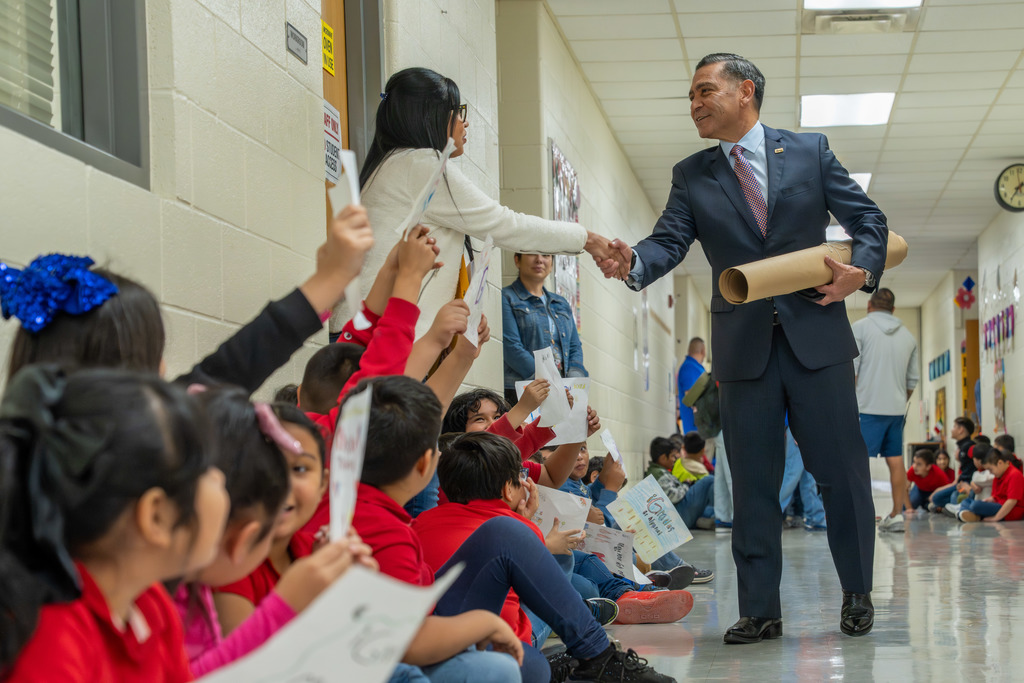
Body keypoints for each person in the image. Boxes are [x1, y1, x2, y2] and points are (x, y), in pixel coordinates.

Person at [592, 53, 887, 642]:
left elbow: (868, 220)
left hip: (817, 336)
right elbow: (670, 240)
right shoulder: (692, 173)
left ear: (744, 91)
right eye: (691, 96)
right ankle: (760, 609)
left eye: (705, 91)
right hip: (744, 345)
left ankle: (856, 591)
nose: (695, 104)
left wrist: (864, 273)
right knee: (752, 481)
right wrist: (633, 262)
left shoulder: (809, 150)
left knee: (841, 473)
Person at [349, 376, 676, 683]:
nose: (493, 426)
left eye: (499, 418)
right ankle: (601, 623)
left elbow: (546, 474)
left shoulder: (407, 517)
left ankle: (610, 606)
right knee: (555, 591)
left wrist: (571, 432)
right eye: (481, 421)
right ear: (430, 461)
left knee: (569, 569)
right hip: (431, 643)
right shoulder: (414, 511)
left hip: (441, 619)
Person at [336, 67, 613, 340]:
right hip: (373, 337)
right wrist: (588, 239)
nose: (463, 122)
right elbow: (506, 225)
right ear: (430, 116)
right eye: (457, 112)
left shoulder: (394, 164)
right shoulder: (421, 164)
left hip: (363, 332)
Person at [0, 367, 229, 680]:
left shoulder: (150, 602)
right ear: (155, 515)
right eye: (206, 469)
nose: (220, 478)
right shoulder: (51, 645)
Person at [851, 288, 919, 533]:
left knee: (859, 461)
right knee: (896, 460)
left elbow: (853, 371)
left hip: (866, 407)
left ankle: (861, 514)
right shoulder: (908, 337)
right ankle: (896, 514)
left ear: (870, 305)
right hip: (896, 410)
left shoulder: (860, 328)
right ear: (893, 310)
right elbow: (912, 381)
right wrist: (899, 399)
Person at [502, 252, 587, 405]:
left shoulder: (560, 303)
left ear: (552, 263)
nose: (539, 260)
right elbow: (511, 347)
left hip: (562, 391)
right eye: (531, 253)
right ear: (517, 260)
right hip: (524, 390)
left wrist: (573, 383)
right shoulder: (506, 297)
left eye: (546, 255)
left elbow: (575, 348)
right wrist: (547, 383)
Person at [646, 437, 715, 530]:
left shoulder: (660, 471)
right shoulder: (658, 474)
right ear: (663, 458)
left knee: (709, 487)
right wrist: (686, 485)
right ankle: (714, 516)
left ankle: (710, 516)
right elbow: (673, 496)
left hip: (679, 512)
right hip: (678, 515)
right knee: (709, 480)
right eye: (672, 456)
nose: (674, 459)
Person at [956, 447, 1024, 523]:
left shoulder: (1015, 475)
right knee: (966, 501)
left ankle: (966, 512)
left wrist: (996, 518)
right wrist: (990, 499)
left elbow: (1011, 501)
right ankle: (968, 514)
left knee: (975, 505)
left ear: (1000, 463)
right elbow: (995, 496)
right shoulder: (998, 475)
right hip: (997, 505)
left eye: (990, 469)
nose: (990, 473)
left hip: (1010, 510)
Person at [779, 429, 827, 531]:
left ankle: (816, 517)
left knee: (809, 477)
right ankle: (770, 514)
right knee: (792, 475)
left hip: (810, 427)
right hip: (800, 427)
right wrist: (797, 431)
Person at [677, 338, 706, 434]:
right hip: (695, 428)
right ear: (703, 351)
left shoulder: (694, 368)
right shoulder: (689, 368)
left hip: (700, 426)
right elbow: (690, 397)